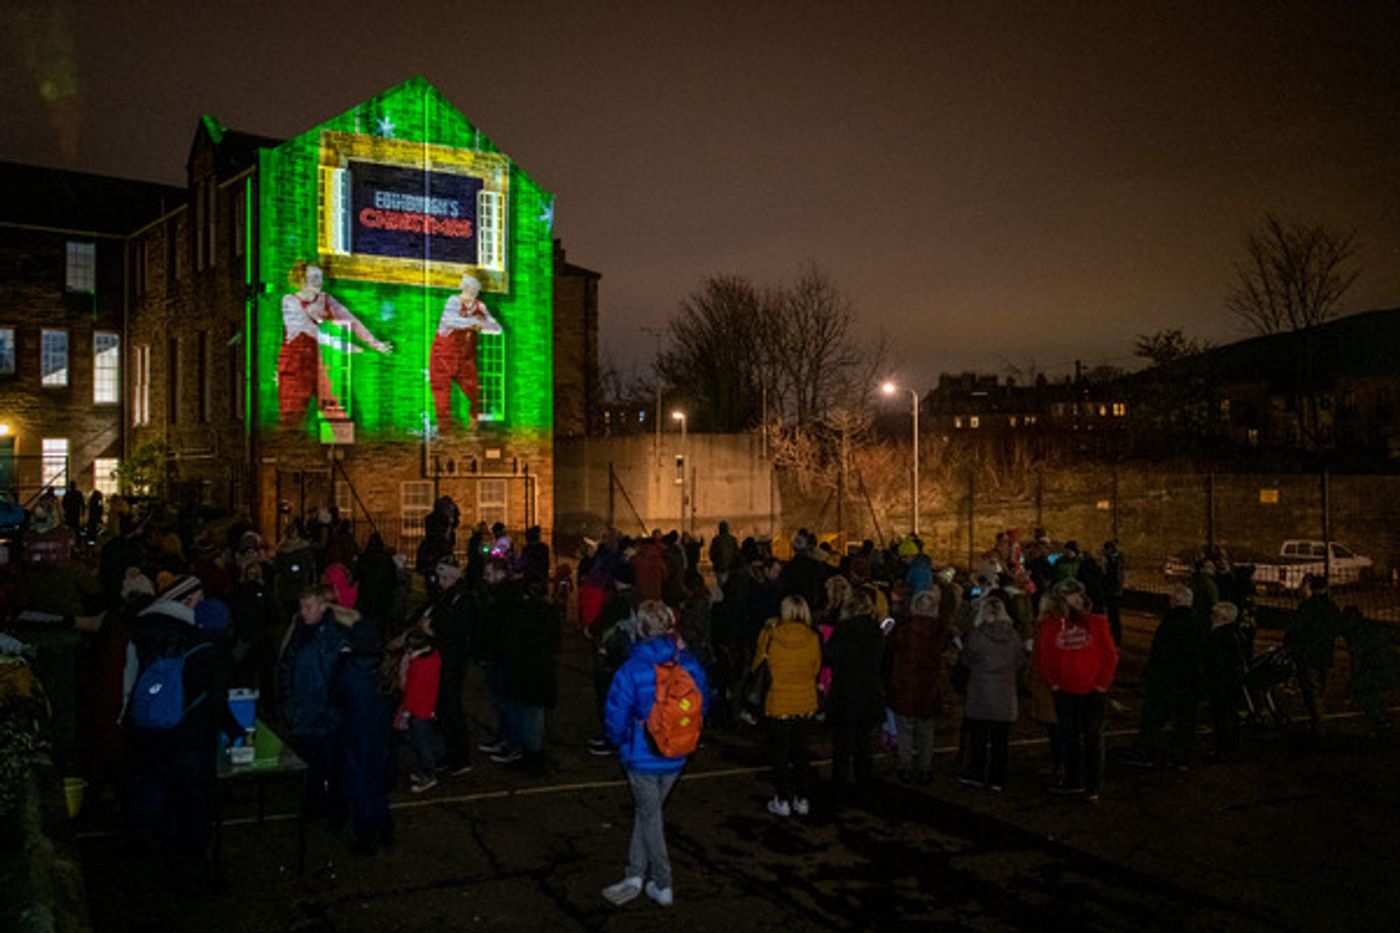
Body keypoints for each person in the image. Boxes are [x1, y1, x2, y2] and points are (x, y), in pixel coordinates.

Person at [121, 575, 241, 891]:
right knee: (195, 805)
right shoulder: (204, 642)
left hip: (151, 729)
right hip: (190, 737)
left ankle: (165, 860)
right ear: (186, 601)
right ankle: (193, 875)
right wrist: (237, 731)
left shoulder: (144, 629)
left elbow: (129, 678)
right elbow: (215, 700)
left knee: (167, 799)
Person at [601, 600, 708, 908]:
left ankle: (662, 882)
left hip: (642, 753)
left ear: (640, 628)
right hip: (677, 751)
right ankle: (635, 873)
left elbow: (615, 716)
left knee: (650, 817)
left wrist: (620, 743)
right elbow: (703, 704)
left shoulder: (631, 668)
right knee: (647, 813)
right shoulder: (688, 663)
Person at [278, 261, 392, 426]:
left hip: (322, 362)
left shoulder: (326, 300)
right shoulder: (289, 301)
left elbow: (350, 319)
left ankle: (339, 450)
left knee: (337, 415)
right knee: (290, 418)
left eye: (321, 277)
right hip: (295, 366)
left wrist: (374, 342)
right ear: (302, 280)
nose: (319, 281)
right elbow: (311, 330)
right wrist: (345, 346)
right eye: (314, 277)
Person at [1034, 579, 1118, 801]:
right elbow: (1044, 656)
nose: (1078, 599)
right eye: (1073, 596)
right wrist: (1053, 682)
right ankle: (1073, 780)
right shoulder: (1052, 625)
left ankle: (1093, 785)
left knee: (1093, 738)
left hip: (1092, 691)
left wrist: (1102, 684)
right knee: (1069, 737)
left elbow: (1110, 655)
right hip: (1066, 691)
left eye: (1080, 595)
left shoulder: (1096, 622)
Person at [278, 584, 352, 818]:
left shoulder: (334, 636)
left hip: (324, 714)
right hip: (304, 711)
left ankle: (333, 808)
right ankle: (315, 803)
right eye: (302, 607)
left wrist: (333, 709)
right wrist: (289, 703)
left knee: (329, 764)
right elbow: (286, 668)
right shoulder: (300, 631)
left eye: (309, 606)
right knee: (311, 763)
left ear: (322, 606)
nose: (304, 611)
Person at [753, 595, 821, 817]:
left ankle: (782, 798)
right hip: (805, 702)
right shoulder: (812, 638)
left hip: (779, 701)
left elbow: (757, 664)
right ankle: (803, 797)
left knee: (780, 754)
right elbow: (815, 669)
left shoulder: (771, 636)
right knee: (802, 753)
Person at [1121, 585, 1201, 769]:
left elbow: (1162, 650)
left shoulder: (1172, 621)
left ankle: (1145, 753)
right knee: (1184, 720)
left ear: (1176, 601)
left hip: (1166, 677)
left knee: (1153, 717)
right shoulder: (1196, 621)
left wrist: (1152, 672)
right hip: (1187, 678)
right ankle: (1179, 756)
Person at [959, 594, 1025, 791]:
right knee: (1000, 740)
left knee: (979, 736)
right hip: (1004, 692)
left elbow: (967, 658)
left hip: (981, 690)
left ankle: (977, 774)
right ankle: (997, 778)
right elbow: (1020, 661)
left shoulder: (977, 636)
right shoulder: (1013, 636)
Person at [886, 589, 951, 784]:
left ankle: (905, 766)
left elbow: (890, 644)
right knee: (926, 730)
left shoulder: (903, 629)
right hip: (928, 685)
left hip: (906, 684)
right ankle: (925, 768)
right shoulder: (940, 631)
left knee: (905, 729)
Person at [825, 588, 885, 800]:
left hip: (847, 690)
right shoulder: (876, 632)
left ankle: (839, 785)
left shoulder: (844, 630)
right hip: (869, 690)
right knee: (863, 743)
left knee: (842, 744)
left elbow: (830, 656)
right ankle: (864, 782)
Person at [430, 272, 503, 432]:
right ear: (463, 287)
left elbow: (497, 329)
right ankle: (445, 436)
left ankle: (474, 427)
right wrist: (476, 322)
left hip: (464, 360)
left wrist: (483, 325)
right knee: (442, 399)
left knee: (478, 393)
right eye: (468, 287)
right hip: (442, 358)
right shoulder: (453, 301)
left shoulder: (480, 307)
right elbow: (451, 320)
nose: (471, 291)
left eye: (475, 288)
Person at [1286, 575, 1340, 731]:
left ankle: (1318, 724)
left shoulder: (1306, 607)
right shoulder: (1331, 607)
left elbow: (1295, 629)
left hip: (1308, 654)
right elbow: (1336, 628)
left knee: (1312, 690)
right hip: (1325, 652)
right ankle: (1318, 721)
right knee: (1320, 687)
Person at [395, 628, 442, 793]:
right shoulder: (433, 658)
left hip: (418, 710)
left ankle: (429, 774)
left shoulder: (419, 665)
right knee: (424, 740)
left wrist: (406, 711)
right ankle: (426, 769)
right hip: (426, 709)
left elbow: (412, 691)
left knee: (422, 743)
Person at [1201, 601, 1247, 760]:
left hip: (1222, 683)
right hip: (1233, 682)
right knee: (1230, 716)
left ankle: (1223, 750)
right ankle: (1232, 748)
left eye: (1215, 615)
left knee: (1221, 717)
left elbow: (1214, 662)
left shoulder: (1218, 637)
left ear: (1223, 619)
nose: (1211, 618)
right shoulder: (1237, 634)